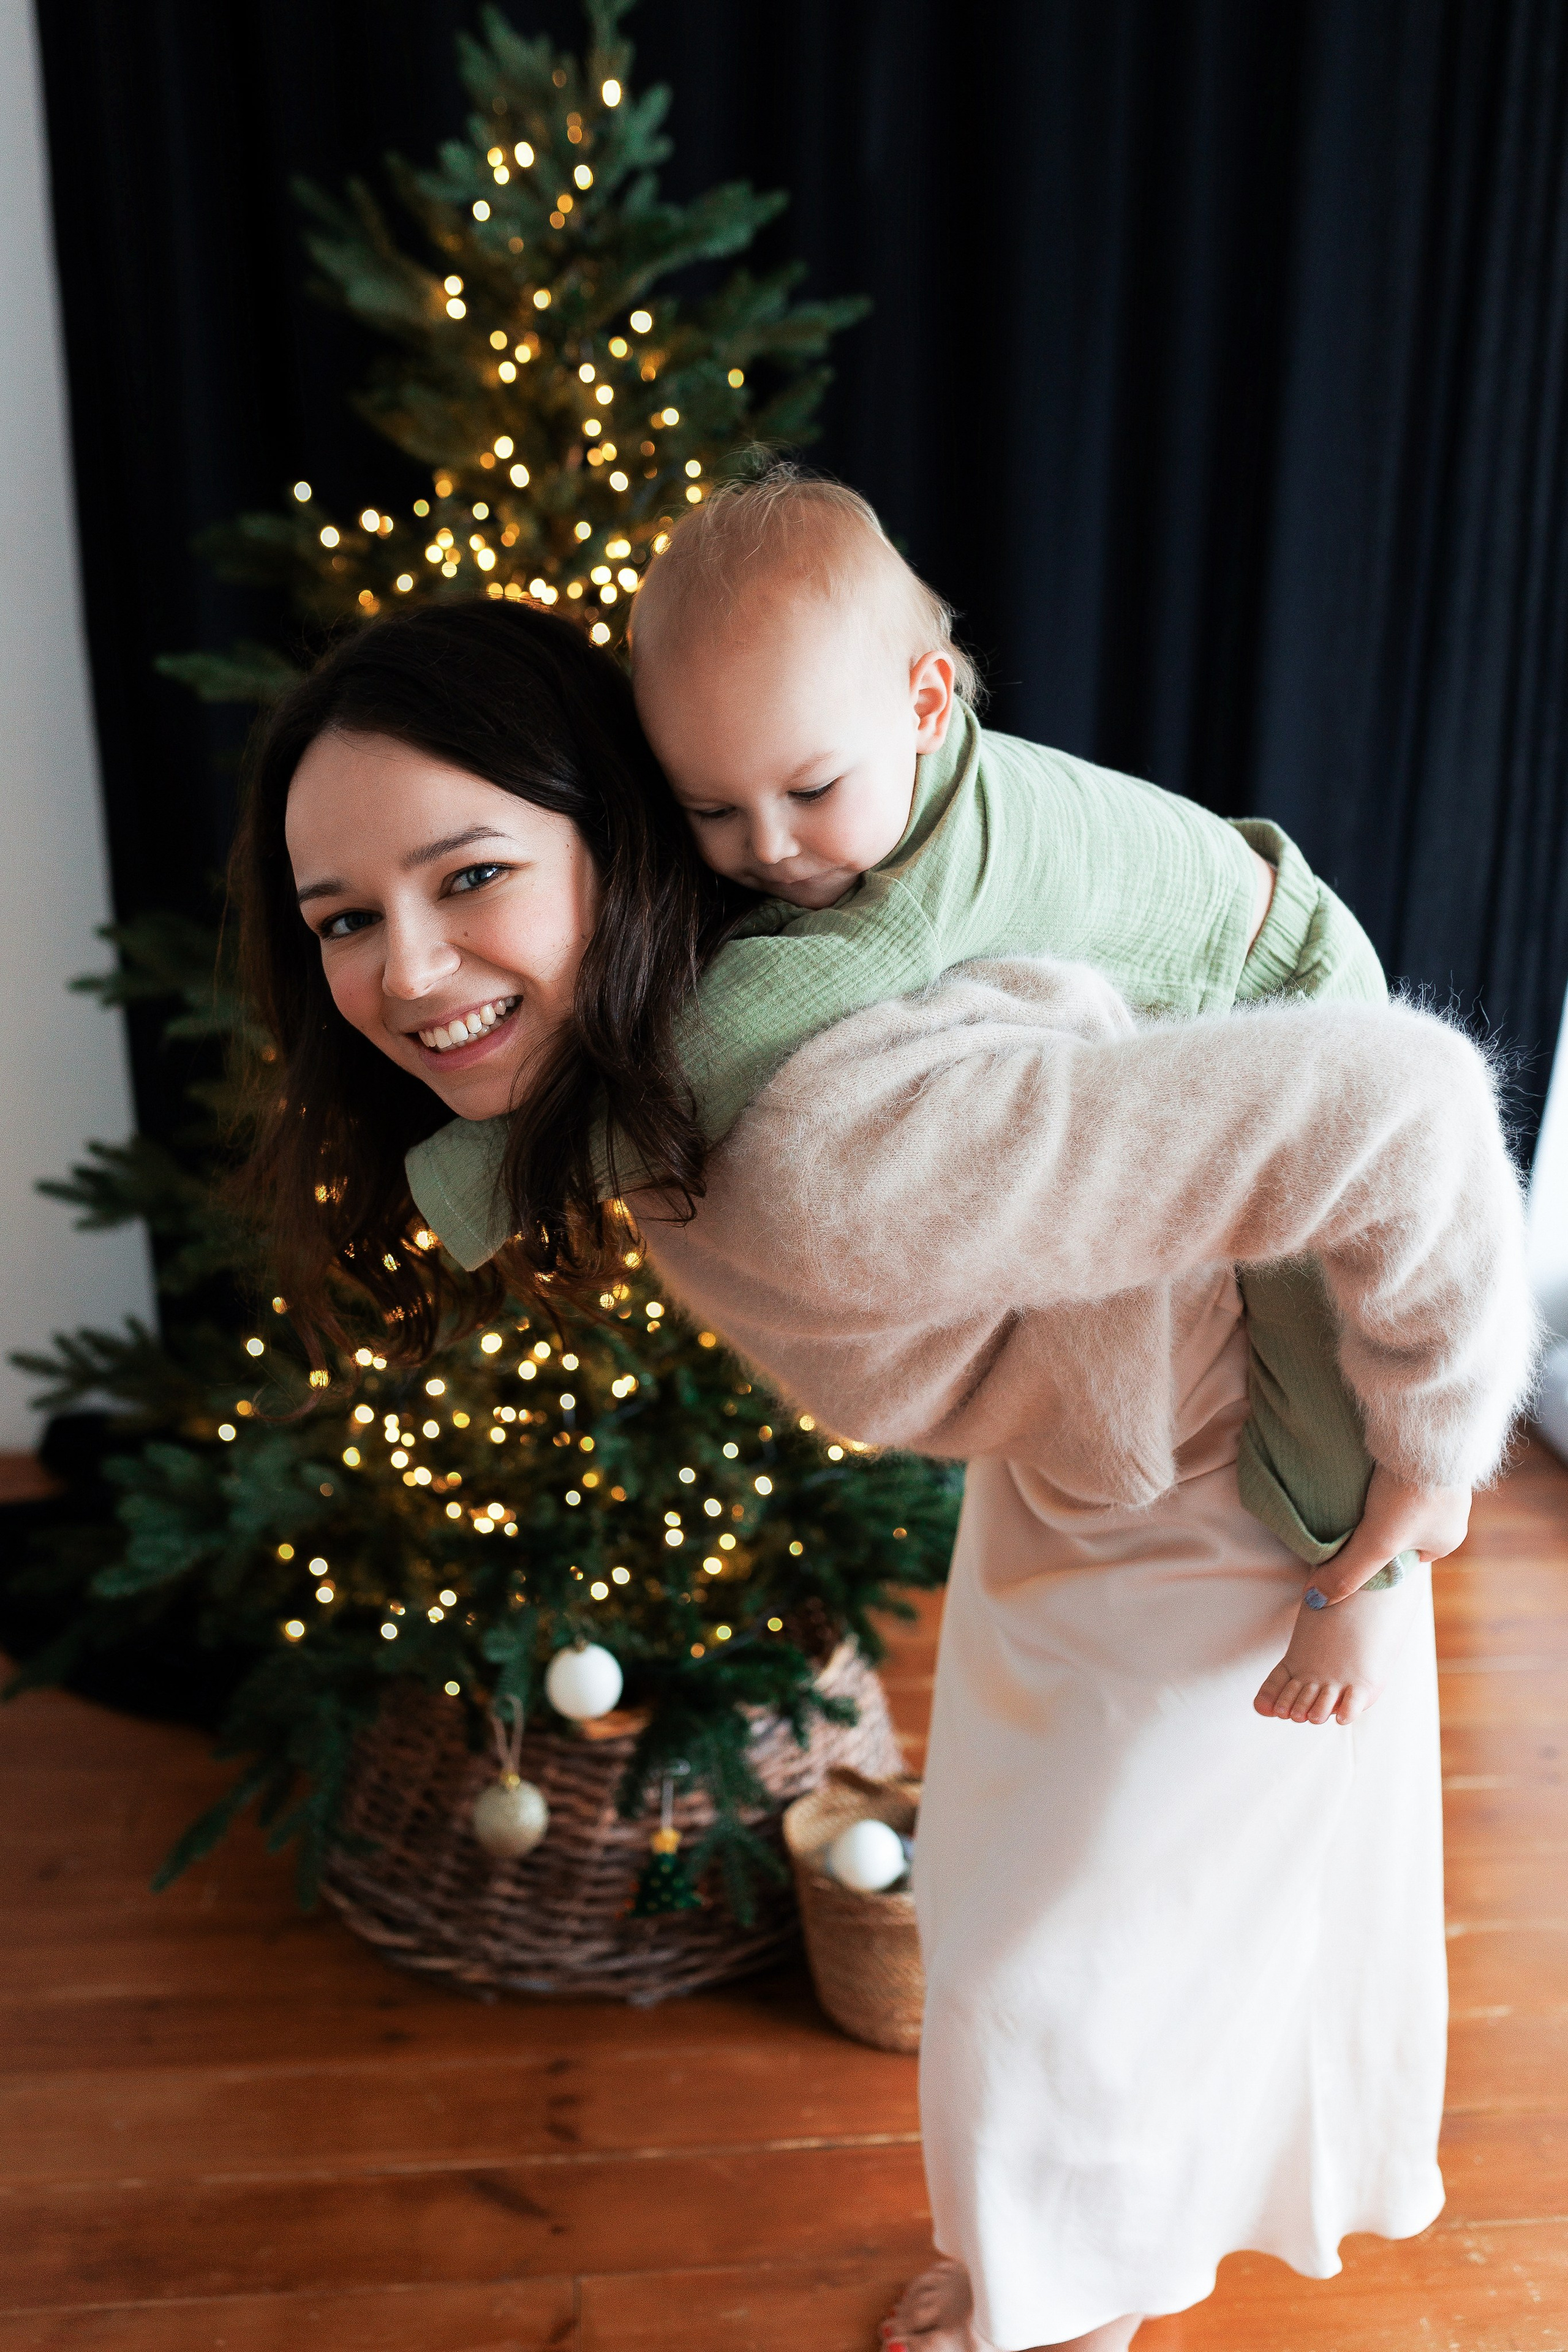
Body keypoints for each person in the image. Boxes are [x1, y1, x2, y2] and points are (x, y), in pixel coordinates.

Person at [235, 601, 1536, 2352]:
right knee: (1024, 1916)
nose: (404, 971)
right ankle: (1055, 2270)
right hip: (1088, 1460)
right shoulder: (696, 1046)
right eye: (343, 917)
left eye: (469, 878)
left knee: (1065, 1963)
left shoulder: (821, 1140)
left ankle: (1061, 2311)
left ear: (615, 835)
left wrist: (1422, 1484)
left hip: (1228, 1504)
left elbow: (1402, 1107)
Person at [403, 475, 1449, 1732]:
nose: (768, 848)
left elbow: (746, 1026)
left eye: (808, 792)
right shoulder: (862, 798)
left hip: (1281, 972)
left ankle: (1373, 1567)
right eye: (710, 810)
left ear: (924, 704)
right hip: (1207, 943)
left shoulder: (948, 854)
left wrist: (491, 1171)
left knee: (1307, 1322)